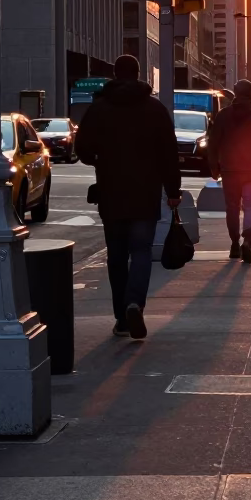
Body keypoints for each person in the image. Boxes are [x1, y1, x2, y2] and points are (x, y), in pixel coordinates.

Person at [75, 54, 181, 340]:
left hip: (111, 191)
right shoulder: (155, 109)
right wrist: (173, 191)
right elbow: (169, 154)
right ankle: (135, 302)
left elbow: (81, 147)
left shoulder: (99, 109)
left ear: (115, 74)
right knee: (142, 250)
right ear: (138, 74)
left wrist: (99, 160)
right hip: (145, 193)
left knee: (117, 255)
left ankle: (122, 318)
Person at [207, 78, 251, 264]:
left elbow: (213, 143)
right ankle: (248, 240)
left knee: (232, 208)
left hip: (230, 170)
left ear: (236, 94)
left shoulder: (223, 116)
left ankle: (234, 244)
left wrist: (214, 166)